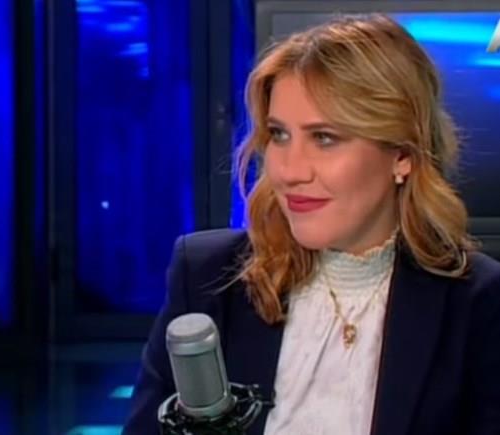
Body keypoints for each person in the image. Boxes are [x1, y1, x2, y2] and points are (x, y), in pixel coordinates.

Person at [123, 13, 500, 435]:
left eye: (324, 138)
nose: (289, 171)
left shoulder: (477, 302)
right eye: (279, 135)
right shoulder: (207, 276)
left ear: (402, 156)